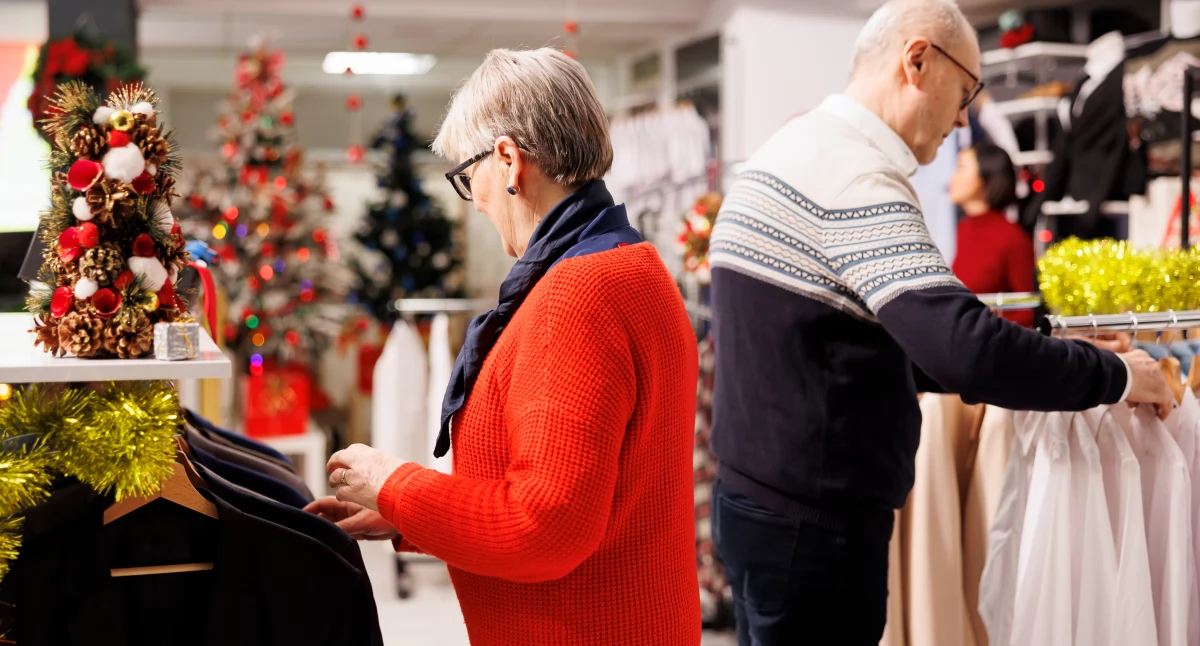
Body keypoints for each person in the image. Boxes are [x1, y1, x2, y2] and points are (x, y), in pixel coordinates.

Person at [704, 1, 1175, 644]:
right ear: (917, 60)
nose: (961, 120)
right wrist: (1118, 375)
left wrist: (1058, 346)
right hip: (812, 530)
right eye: (965, 92)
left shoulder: (785, 152)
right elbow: (967, 352)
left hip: (759, 504)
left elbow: (865, 342)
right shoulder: (856, 178)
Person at [305, 48, 701, 646]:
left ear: (510, 161)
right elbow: (598, 491)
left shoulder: (577, 295)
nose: (479, 199)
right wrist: (410, 516)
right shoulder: (635, 267)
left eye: (470, 177)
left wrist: (396, 482)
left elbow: (543, 527)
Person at [948, 142, 1036, 326]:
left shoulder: (1013, 238)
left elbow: (1029, 310)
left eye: (961, 168)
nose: (952, 179)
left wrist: (987, 324)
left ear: (985, 177)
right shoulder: (964, 228)